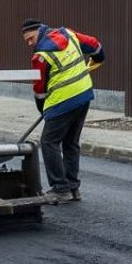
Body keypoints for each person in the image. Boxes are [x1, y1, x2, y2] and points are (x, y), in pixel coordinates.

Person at [21, 19, 105, 203]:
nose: (29, 43)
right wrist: (97, 60)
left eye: (31, 38)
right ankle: (73, 188)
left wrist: (43, 110)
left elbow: (40, 90)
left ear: (40, 32)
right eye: (26, 40)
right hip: (83, 95)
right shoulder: (69, 34)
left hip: (62, 102)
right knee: (71, 143)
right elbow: (95, 45)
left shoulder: (41, 56)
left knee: (49, 142)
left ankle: (60, 188)